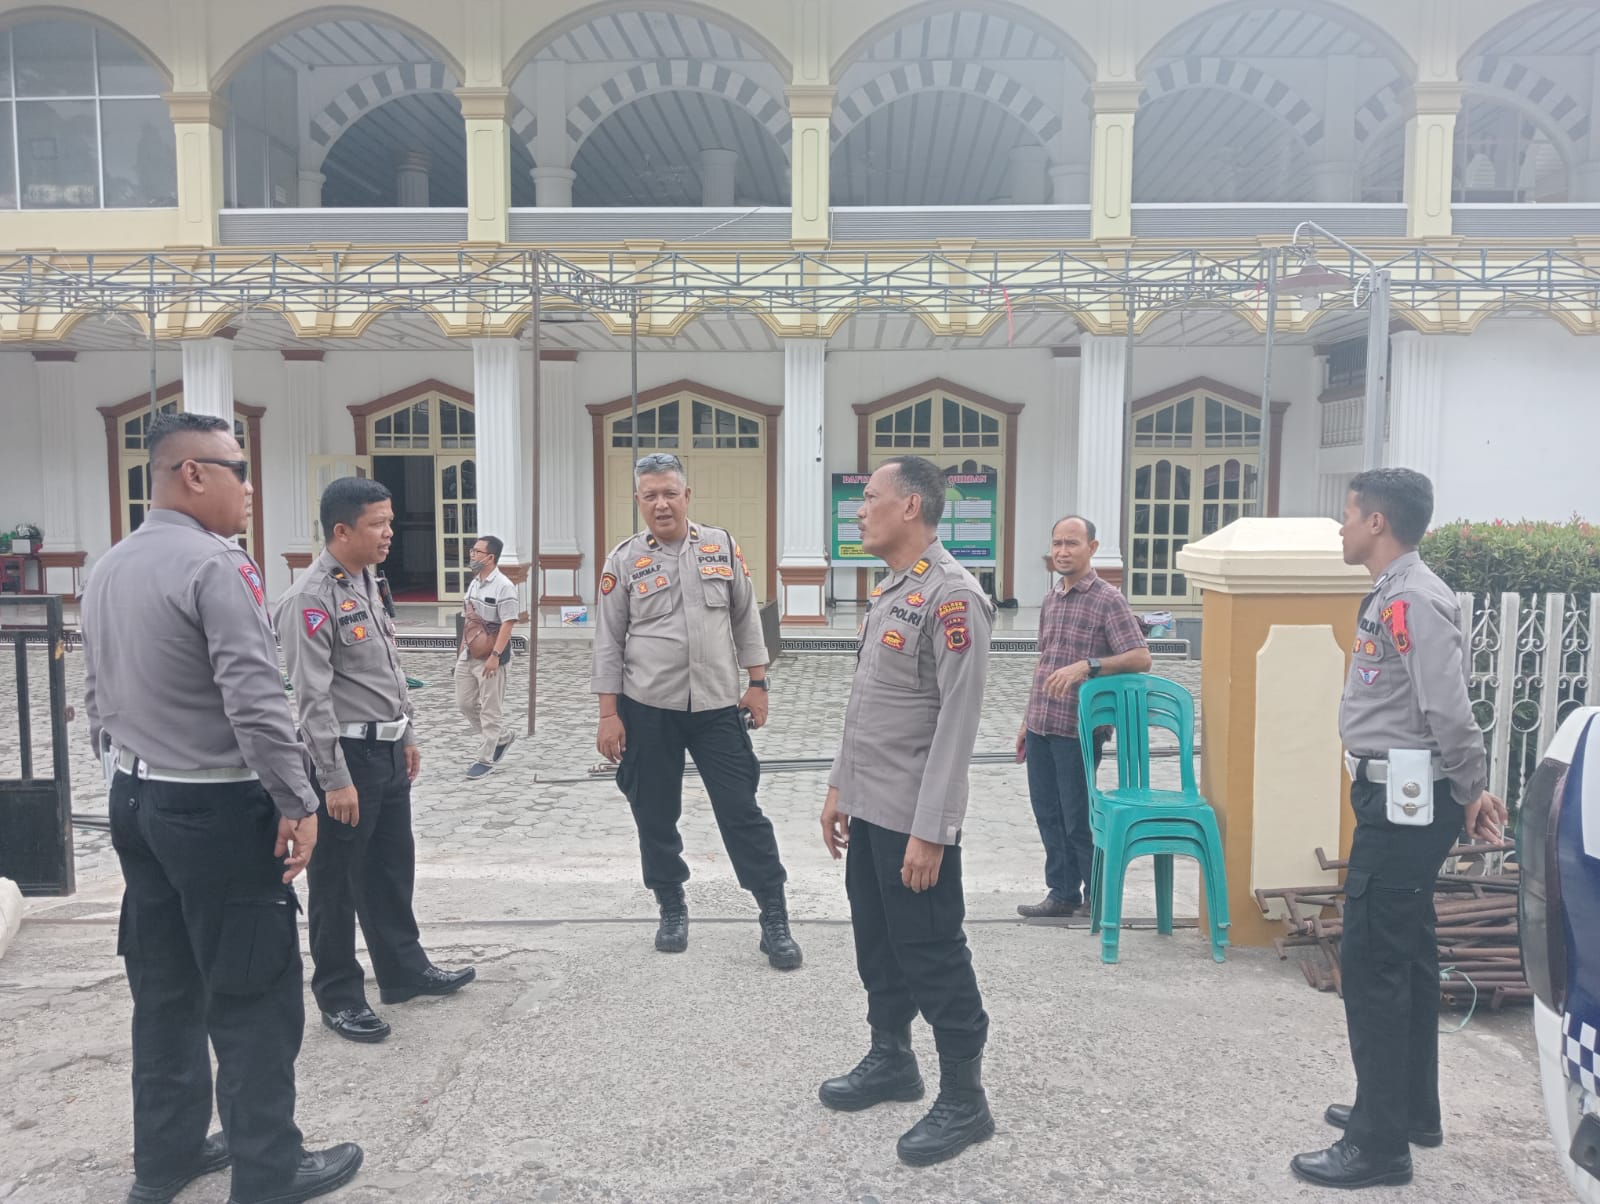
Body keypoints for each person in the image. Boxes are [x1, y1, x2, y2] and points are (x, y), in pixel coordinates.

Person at [82, 412, 362, 1204]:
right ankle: (269, 1170)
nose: (249, 487)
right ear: (192, 475)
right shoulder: (215, 566)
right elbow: (255, 698)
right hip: (214, 809)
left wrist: (128, 775)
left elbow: (96, 695)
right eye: (237, 469)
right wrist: (296, 796)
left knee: (165, 988)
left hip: (137, 798)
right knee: (252, 995)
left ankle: (164, 1160)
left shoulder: (110, 565)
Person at [1291, 467, 1507, 1190]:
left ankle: (1378, 1145)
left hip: (1407, 804)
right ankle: (1409, 1109)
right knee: (1407, 954)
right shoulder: (1396, 591)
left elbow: (1449, 710)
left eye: (1348, 515)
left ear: (1377, 523)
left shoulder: (1413, 596)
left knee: (1376, 963)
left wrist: (1471, 790)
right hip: (1400, 797)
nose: (1341, 526)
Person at [818, 454, 996, 1167]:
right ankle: (892, 1058)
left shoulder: (953, 597)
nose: (860, 509)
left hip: (915, 818)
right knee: (878, 944)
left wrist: (932, 832)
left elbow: (957, 726)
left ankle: (965, 1099)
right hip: (870, 807)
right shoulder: (893, 591)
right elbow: (869, 706)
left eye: (870, 497)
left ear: (911, 508)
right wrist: (839, 786)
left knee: (933, 952)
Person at [275, 477, 475, 1045]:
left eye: (389, 521)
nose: (391, 533)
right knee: (336, 883)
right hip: (346, 757)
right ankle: (339, 995)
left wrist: (407, 733)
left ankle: (403, 971)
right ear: (342, 530)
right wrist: (334, 779)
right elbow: (311, 699)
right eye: (378, 524)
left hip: (386, 750)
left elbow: (386, 669)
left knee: (390, 869)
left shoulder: (367, 582)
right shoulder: (310, 599)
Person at [590, 452, 801, 969]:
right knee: (654, 813)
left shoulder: (720, 546)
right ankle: (671, 905)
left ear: (687, 496)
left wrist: (758, 683)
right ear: (637, 501)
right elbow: (608, 641)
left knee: (742, 811)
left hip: (715, 707)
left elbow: (746, 616)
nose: (661, 503)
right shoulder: (622, 561)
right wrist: (607, 714)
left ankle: (773, 915)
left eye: (670, 493)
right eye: (650, 495)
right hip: (647, 708)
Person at [1015, 516, 1151, 918]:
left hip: (1079, 728)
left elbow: (1140, 657)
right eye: (1057, 543)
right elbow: (1045, 663)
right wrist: (1026, 720)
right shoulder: (1052, 598)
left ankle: (1098, 896)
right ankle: (1062, 892)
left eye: (1071, 543)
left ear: (1092, 548)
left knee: (1078, 817)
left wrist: (1087, 667)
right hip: (1042, 722)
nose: (1062, 551)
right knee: (1047, 813)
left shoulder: (1108, 599)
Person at [455, 534, 520, 780]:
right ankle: (502, 737)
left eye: (477, 552)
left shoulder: (503, 586)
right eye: (472, 551)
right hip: (469, 652)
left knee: (490, 708)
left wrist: (495, 656)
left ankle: (486, 758)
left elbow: (508, 624)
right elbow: (469, 620)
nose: (472, 555)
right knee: (465, 703)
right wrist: (461, 651)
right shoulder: (475, 582)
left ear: (490, 557)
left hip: (492, 655)